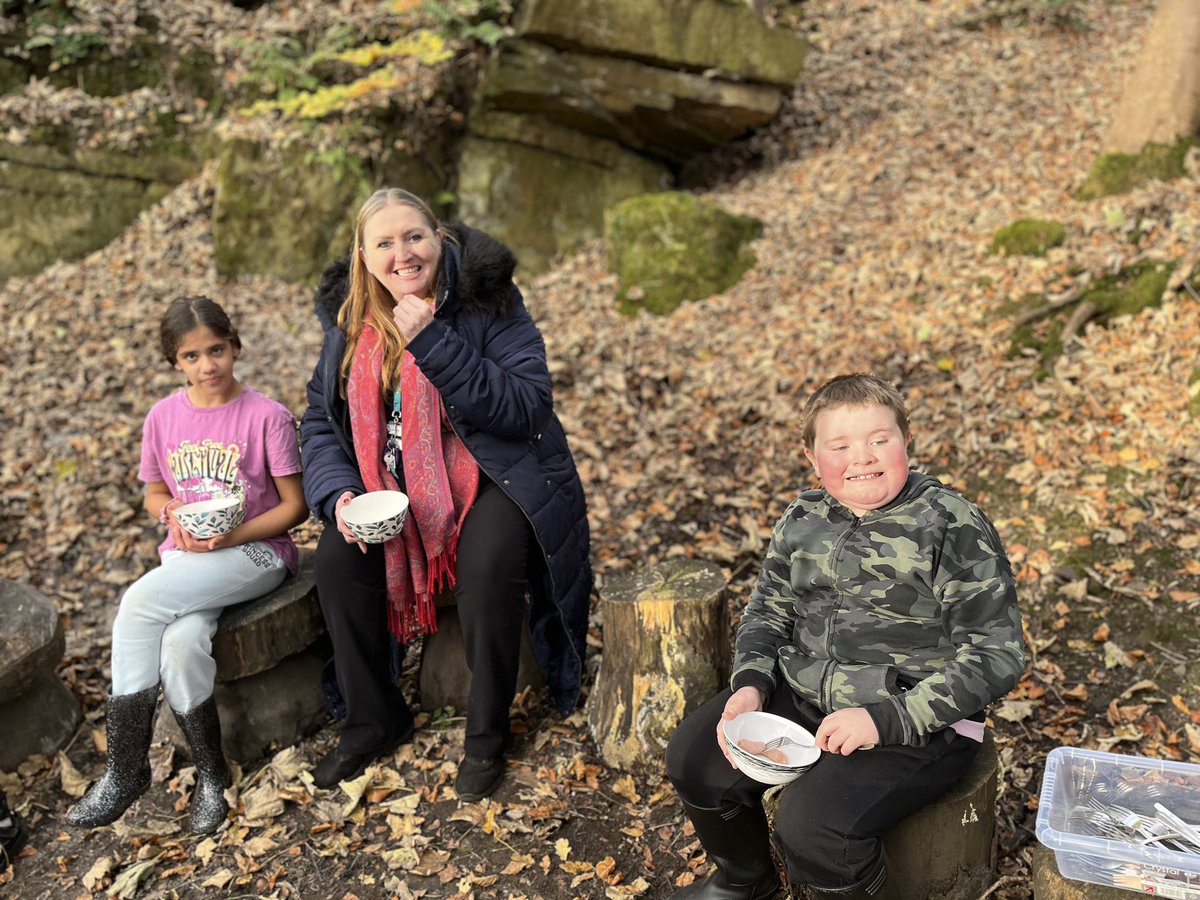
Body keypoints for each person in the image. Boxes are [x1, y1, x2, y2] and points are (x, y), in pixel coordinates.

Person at [664, 373, 1025, 900]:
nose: (862, 458)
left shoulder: (951, 525)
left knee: (812, 827)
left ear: (906, 441)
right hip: (806, 692)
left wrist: (884, 720)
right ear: (812, 458)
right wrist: (751, 683)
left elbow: (996, 655)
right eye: (840, 446)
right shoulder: (804, 517)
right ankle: (743, 883)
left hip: (918, 720)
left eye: (880, 439)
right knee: (693, 759)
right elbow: (768, 609)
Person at [300, 188, 590, 800]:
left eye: (414, 237)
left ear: (439, 238)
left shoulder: (489, 298)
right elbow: (321, 420)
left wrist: (432, 341)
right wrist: (340, 495)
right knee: (336, 560)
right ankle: (372, 719)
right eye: (384, 243)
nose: (402, 254)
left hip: (496, 473)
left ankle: (486, 736)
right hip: (389, 485)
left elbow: (526, 406)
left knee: (488, 567)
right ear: (363, 256)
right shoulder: (350, 320)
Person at [67, 296, 307, 834]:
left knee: (137, 602)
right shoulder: (163, 417)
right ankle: (213, 776)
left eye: (216, 350)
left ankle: (124, 770)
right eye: (192, 356)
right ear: (175, 362)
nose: (207, 365)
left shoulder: (267, 416)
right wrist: (171, 512)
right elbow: (154, 494)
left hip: (256, 553)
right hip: (188, 559)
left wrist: (231, 534)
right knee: (179, 647)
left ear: (235, 346)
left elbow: (296, 508)